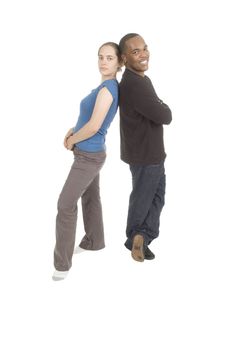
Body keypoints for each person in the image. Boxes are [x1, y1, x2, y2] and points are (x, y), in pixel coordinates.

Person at [53, 42, 122, 280]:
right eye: (101, 57)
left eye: (110, 58)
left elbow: (94, 126)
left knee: (65, 205)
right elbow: (90, 119)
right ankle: (95, 241)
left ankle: (61, 266)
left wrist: (73, 139)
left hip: (88, 156)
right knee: (91, 197)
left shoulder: (108, 89)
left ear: (119, 62)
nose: (103, 61)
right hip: (91, 152)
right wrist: (73, 129)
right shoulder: (104, 86)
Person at [118, 33, 172, 262]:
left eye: (144, 48)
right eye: (135, 51)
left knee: (155, 197)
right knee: (144, 198)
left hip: (148, 152)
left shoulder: (139, 80)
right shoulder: (134, 84)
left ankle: (143, 237)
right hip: (146, 155)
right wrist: (163, 105)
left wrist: (159, 105)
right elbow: (164, 115)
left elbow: (156, 110)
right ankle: (135, 239)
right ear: (124, 58)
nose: (143, 54)